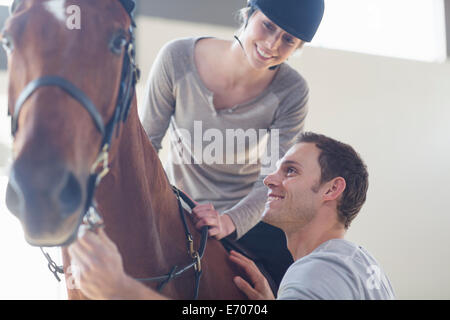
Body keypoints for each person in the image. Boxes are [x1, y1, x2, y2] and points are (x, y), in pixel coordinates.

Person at [68, 132, 395, 300]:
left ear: (331, 189)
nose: (269, 179)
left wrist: (122, 289)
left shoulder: (315, 273)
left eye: (290, 171)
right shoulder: (359, 264)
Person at [140, 0, 325, 287]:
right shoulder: (176, 58)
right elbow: (146, 145)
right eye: (267, 26)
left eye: (288, 39)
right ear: (249, 14)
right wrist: (159, 204)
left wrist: (229, 222)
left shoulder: (293, 91)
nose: (272, 44)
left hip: (248, 216)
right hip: (177, 205)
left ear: (298, 47)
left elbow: (273, 177)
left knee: (291, 277)